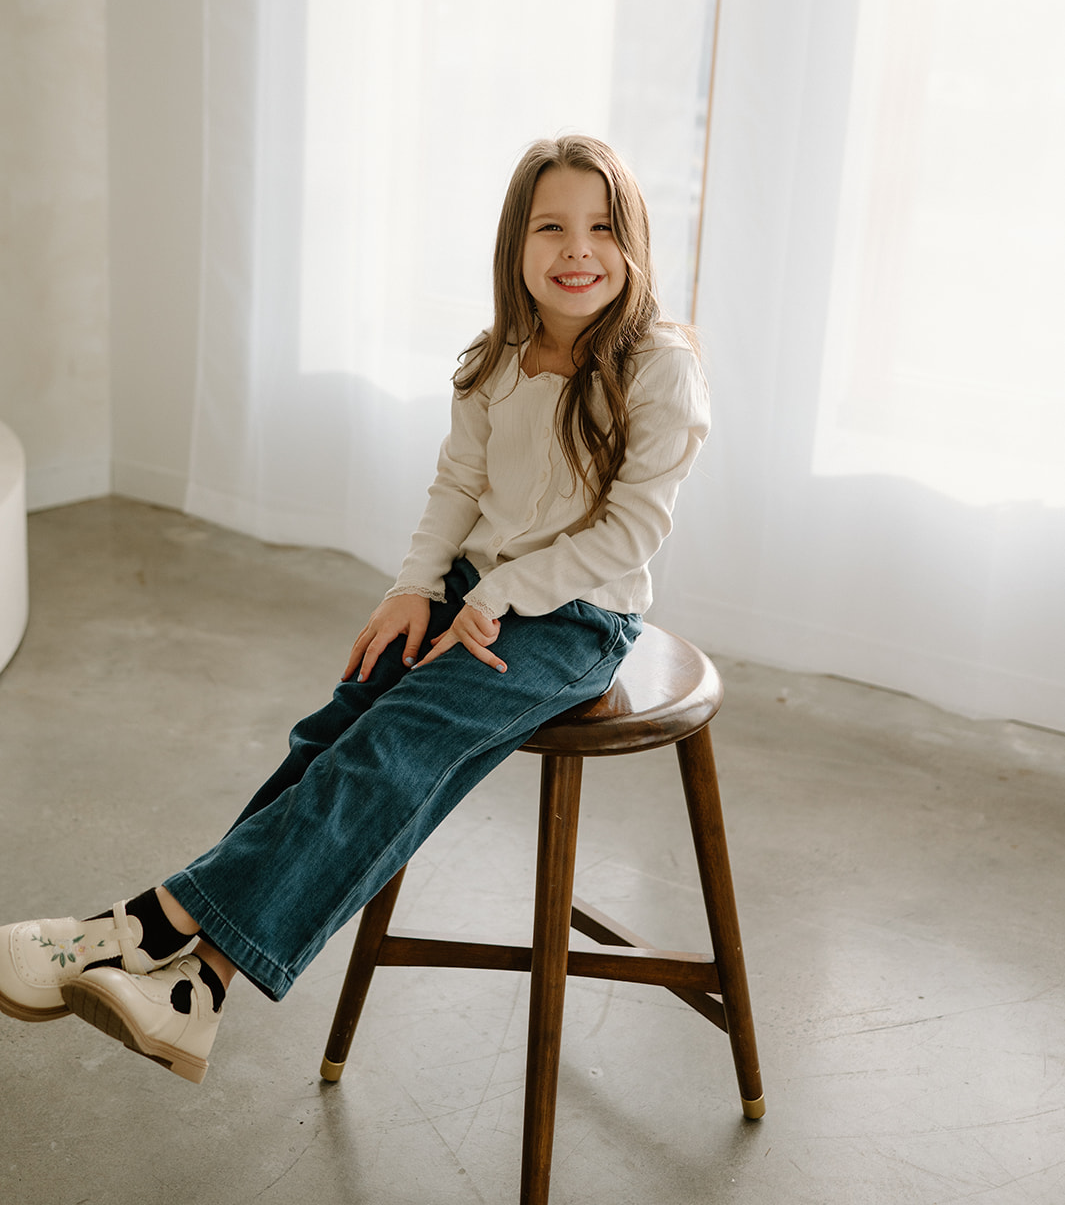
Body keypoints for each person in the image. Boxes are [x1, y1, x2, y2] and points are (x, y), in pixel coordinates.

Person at [0, 135, 710, 1085]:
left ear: (632, 245)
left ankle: (140, 931)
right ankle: (194, 988)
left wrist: (495, 595)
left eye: (600, 227)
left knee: (390, 752)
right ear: (515, 244)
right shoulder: (500, 354)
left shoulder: (658, 367)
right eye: (551, 227)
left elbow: (629, 535)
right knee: (329, 736)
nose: (576, 249)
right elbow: (457, 486)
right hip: (469, 594)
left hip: (576, 620)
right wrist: (412, 589)